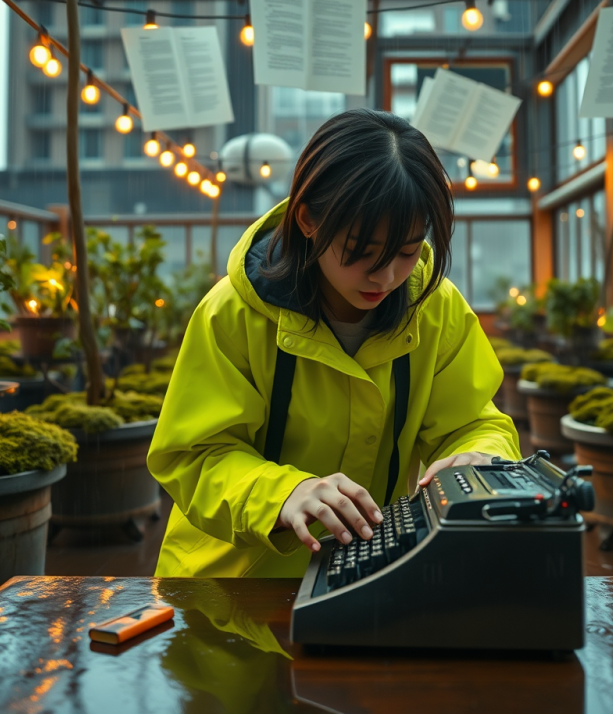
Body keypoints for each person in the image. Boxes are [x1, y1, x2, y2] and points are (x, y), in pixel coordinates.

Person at [147, 108, 520, 579]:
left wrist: (480, 453)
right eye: (362, 251)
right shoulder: (233, 314)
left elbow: (474, 422)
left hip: (371, 576)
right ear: (307, 220)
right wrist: (282, 495)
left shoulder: (436, 309)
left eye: (406, 252)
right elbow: (193, 454)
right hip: (231, 586)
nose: (385, 277)